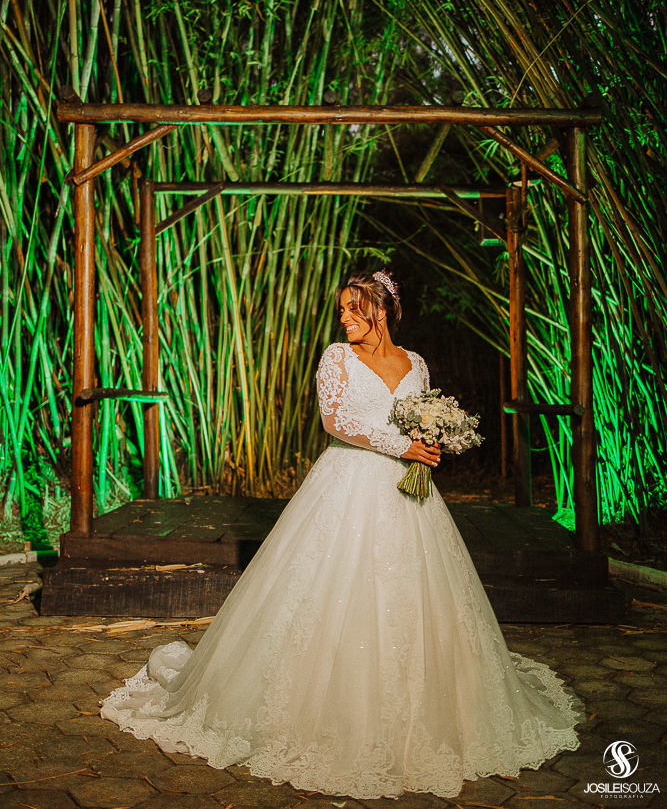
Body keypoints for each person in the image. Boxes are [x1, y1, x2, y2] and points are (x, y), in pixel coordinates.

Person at [100, 269, 581, 799]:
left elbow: (417, 420)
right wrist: (400, 447)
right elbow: (334, 422)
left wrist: (428, 443)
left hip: (408, 495)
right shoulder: (337, 357)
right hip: (346, 483)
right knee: (329, 593)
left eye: (356, 309)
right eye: (343, 310)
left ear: (382, 310)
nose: (346, 319)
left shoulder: (414, 363)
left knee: (414, 597)